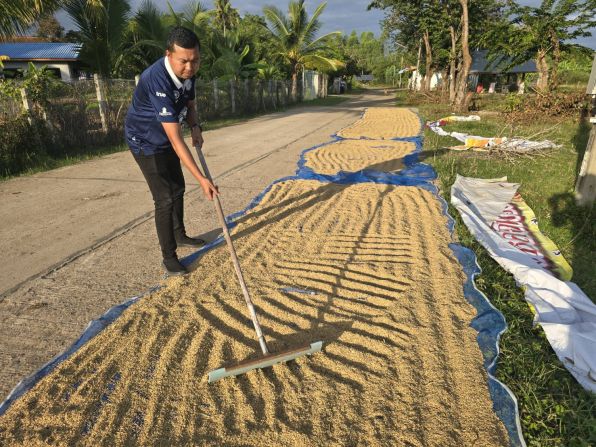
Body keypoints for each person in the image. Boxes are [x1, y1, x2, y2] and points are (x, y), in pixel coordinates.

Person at [125, 26, 218, 276]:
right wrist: (202, 179)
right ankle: (169, 256)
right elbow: (177, 142)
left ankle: (180, 235)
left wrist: (195, 126)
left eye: (195, 60)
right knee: (164, 198)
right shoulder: (157, 79)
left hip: (165, 137)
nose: (190, 67)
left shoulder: (189, 72)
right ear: (168, 55)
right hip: (145, 141)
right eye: (183, 61)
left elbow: (190, 104)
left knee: (178, 188)